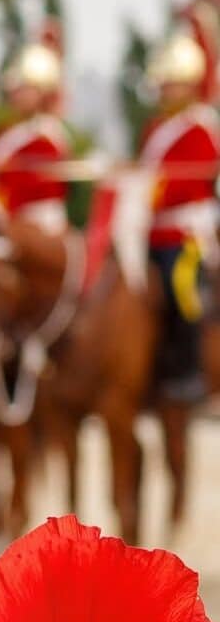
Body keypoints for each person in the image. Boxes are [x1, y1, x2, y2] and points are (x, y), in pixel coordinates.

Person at [140, 31, 220, 402]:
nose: (166, 91)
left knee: (182, 290)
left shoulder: (202, 127)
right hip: (151, 232)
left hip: (187, 236)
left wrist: (148, 196)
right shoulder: (157, 129)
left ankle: (189, 371)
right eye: (164, 84)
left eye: (173, 85)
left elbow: (184, 182)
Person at [0, 43, 70, 236]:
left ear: (41, 91)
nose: (15, 95)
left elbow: (30, 185)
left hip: (40, 217)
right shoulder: (9, 131)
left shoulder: (49, 135)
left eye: (23, 89)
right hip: (7, 210)